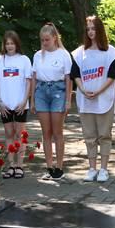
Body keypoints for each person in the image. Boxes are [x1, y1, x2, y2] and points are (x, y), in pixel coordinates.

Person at [71, 15, 115, 183]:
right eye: (88, 29)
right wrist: (83, 89)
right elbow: (75, 74)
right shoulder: (79, 53)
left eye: (94, 28)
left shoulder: (111, 52)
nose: (91, 32)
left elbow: (113, 75)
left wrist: (98, 91)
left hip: (104, 99)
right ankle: (91, 168)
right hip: (85, 100)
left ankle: (104, 169)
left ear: (99, 30)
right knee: (89, 136)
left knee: (104, 135)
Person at [31, 23, 73, 179]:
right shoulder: (37, 55)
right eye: (42, 40)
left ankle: (59, 166)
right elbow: (33, 78)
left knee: (57, 132)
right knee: (46, 132)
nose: (44, 43)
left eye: (47, 39)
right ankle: (49, 166)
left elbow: (69, 79)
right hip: (41, 92)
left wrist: (68, 100)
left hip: (58, 91)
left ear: (55, 38)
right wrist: (33, 100)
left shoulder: (63, 54)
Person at [0, 30, 32, 178]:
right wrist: (0, 103)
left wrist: (24, 101)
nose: (9, 46)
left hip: (20, 104)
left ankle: (20, 165)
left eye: (12, 43)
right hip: (5, 105)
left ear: (17, 44)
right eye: (7, 43)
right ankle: (11, 165)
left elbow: (28, 82)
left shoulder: (24, 60)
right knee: (9, 134)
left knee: (20, 135)